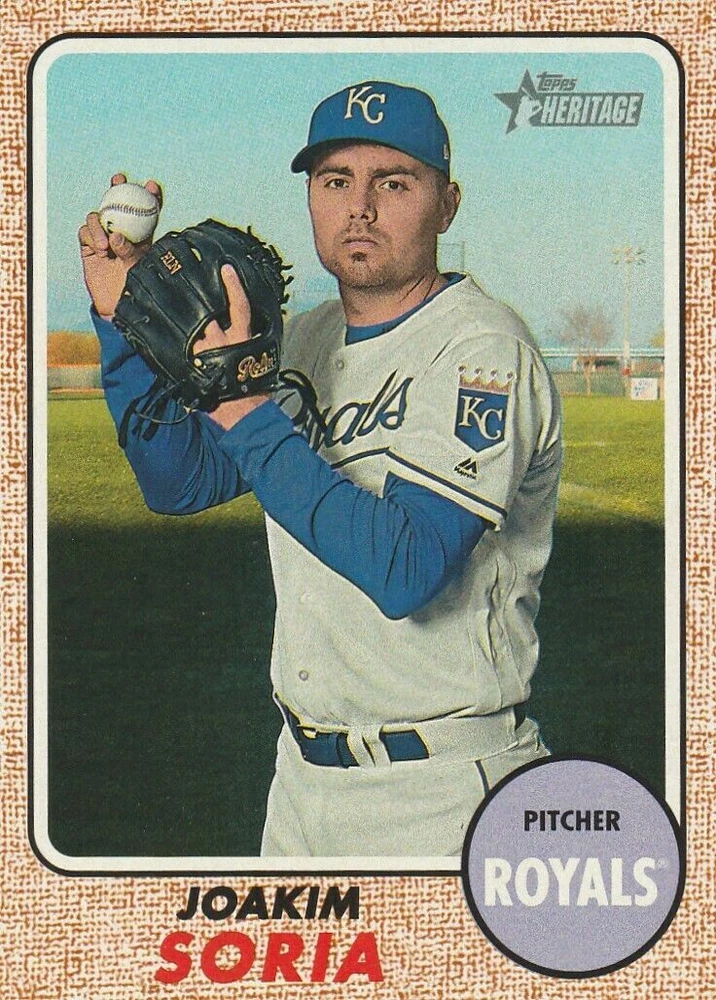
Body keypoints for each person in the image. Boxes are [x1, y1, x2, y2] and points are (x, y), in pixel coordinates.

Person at [79, 81, 562, 858]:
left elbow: (405, 568)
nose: (359, 208)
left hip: (443, 795)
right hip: (300, 787)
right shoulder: (303, 340)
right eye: (336, 181)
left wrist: (242, 407)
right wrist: (121, 323)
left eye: (393, 183)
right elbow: (179, 483)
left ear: (447, 205)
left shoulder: (480, 348)